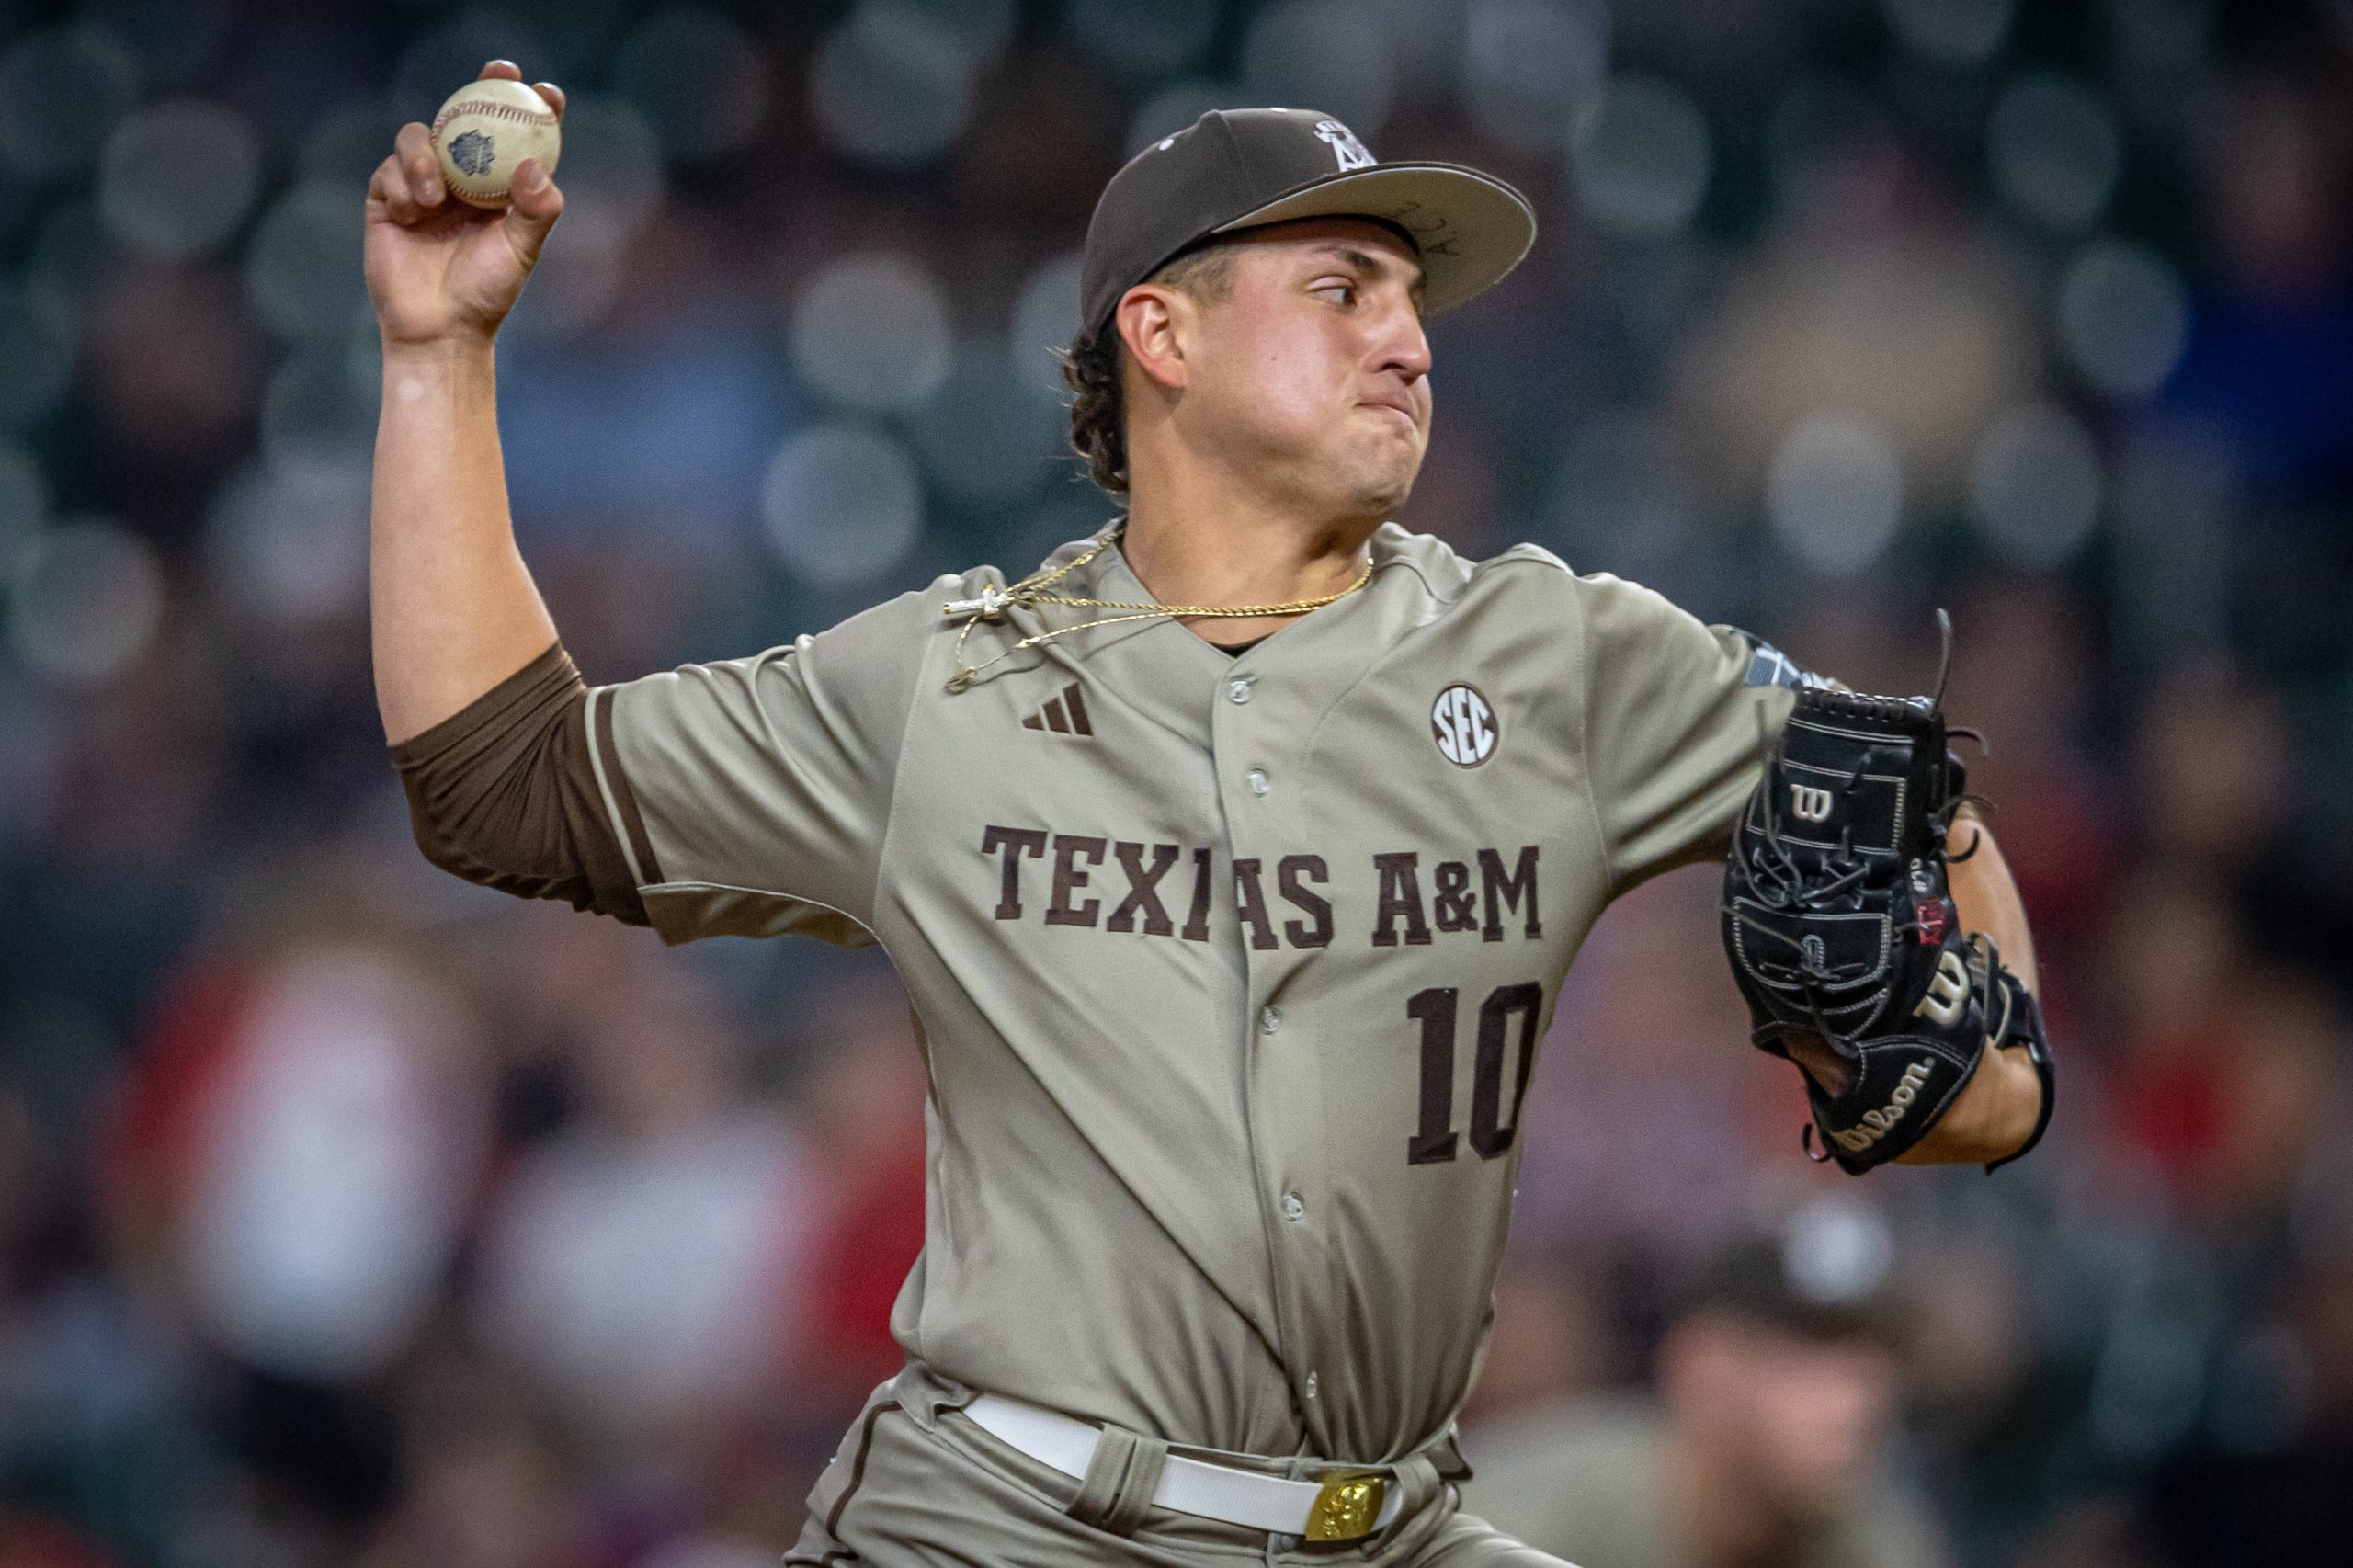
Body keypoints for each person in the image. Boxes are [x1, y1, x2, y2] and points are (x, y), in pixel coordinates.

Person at [365, 62, 2049, 1566]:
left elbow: (1908, 797)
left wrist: (1998, 1070)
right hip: (1009, 1516)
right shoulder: (941, 691)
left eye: (1410, 302)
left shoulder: (1567, 659)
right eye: (1340, 288)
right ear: (1161, 336)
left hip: (1389, 1523)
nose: (1406, 337)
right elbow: (499, 781)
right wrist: (439, 357)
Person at [1460, 1214, 1950, 1568]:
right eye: (1809, 1354)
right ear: (1701, 1367)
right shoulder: (1515, 1523)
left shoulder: (1878, 1539)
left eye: (1876, 1357)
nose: (1859, 1400)